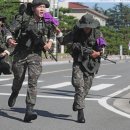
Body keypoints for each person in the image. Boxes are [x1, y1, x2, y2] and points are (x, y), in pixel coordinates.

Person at [6, 0, 55, 122]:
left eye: (44, 7)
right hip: (21, 52)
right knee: (18, 78)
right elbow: (9, 30)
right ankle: (15, 92)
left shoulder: (47, 20)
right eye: (39, 7)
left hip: (35, 54)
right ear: (33, 8)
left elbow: (53, 34)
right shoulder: (23, 18)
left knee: (33, 81)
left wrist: (49, 43)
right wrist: (10, 39)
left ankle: (29, 109)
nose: (42, 9)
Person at [62, 14, 105, 123]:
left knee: (86, 88)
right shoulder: (76, 32)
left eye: (88, 26)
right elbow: (64, 41)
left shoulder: (98, 34)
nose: (86, 28)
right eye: (85, 26)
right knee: (79, 86)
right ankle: (81, 113)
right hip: (79, 61)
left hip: (91, 64)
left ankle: (77, 102)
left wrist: (99, 52)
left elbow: (103, 48)